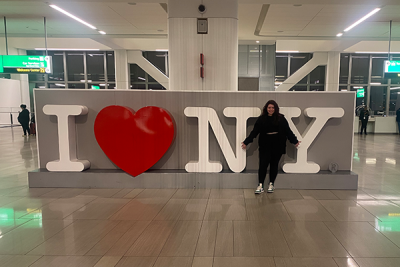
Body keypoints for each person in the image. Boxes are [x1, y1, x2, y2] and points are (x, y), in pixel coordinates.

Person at [241, 100, 300, 194]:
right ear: (266, 108)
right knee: (263, 165)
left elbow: (288, 131)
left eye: (273, 108)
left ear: (275, 109)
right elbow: (254, 132)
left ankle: (271, 184)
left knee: (274, 165)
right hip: (265, 145)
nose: (271, 109)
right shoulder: (261, 119)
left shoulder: (281, 118)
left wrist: (295, 141)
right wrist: (246, 142)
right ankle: (260, 185)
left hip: (278, 145)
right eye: (269, 107)